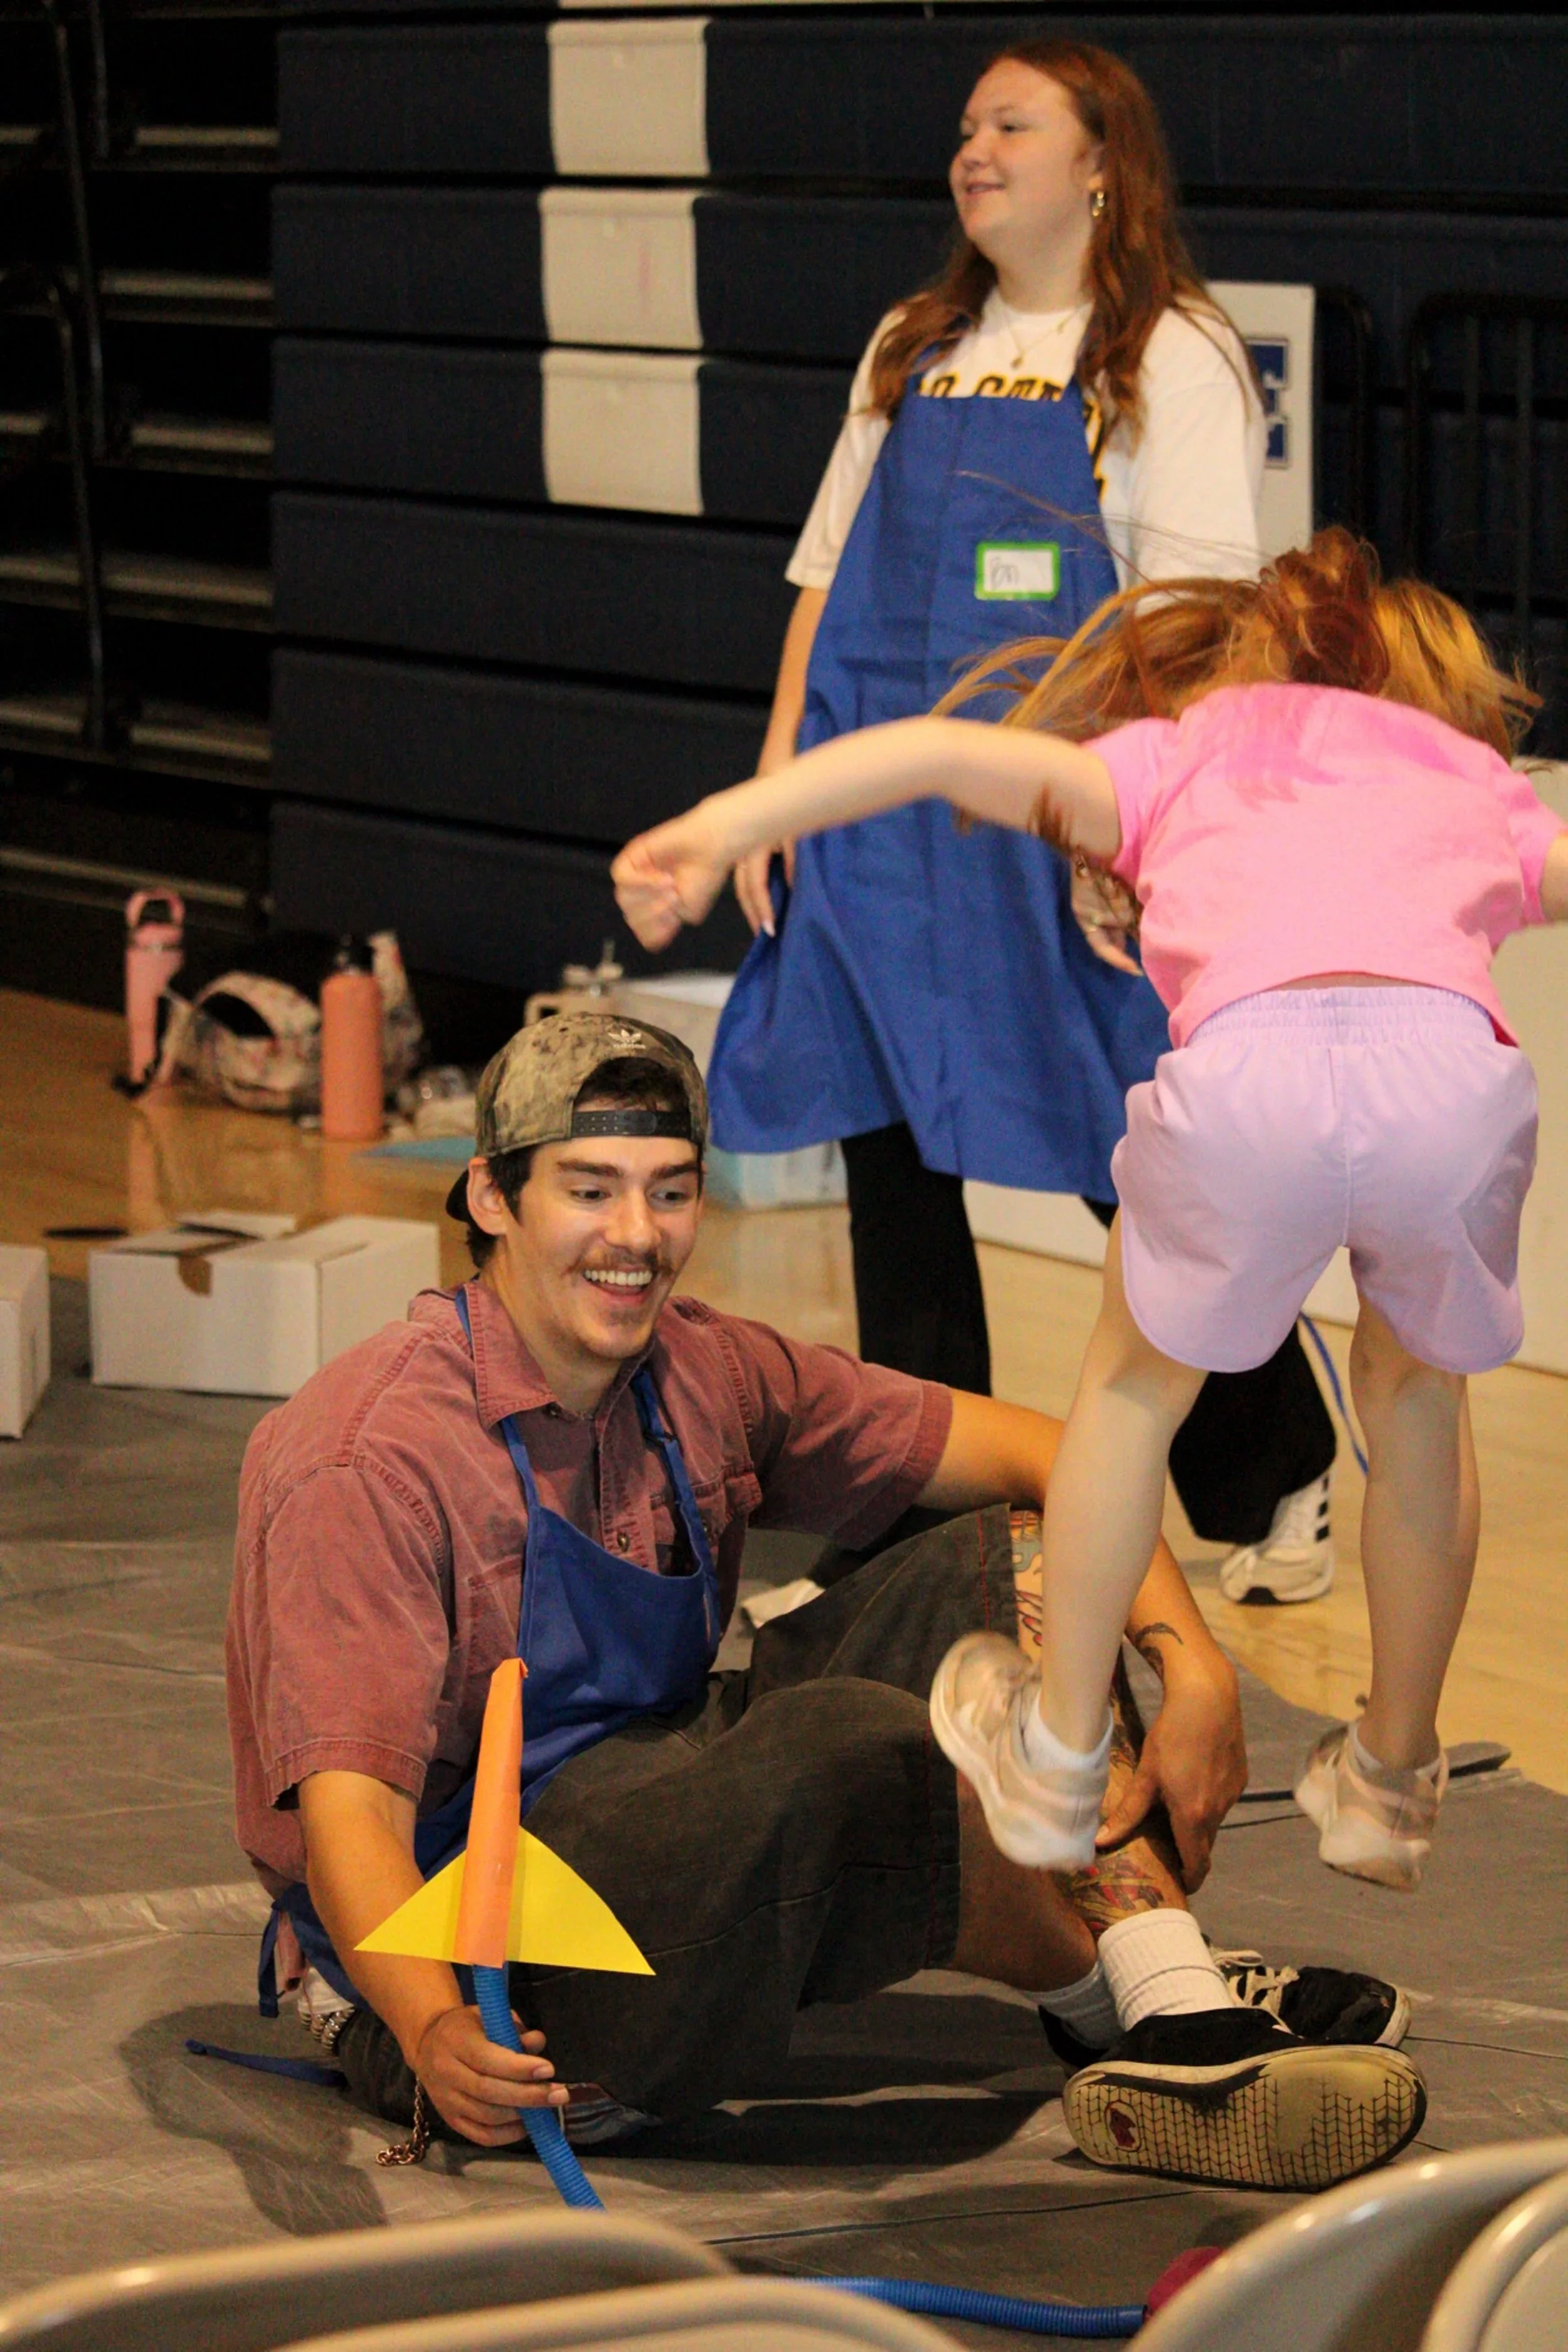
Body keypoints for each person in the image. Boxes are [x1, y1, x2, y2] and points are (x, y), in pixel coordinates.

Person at [227, 1011, 1420, 2193]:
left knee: (1023, 1565)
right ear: (490, 1197)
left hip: (657, 1782)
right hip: (473, 1938)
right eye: (590, 1190)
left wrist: (1193, 1660)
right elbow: (355, 1823)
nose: (636, 1237)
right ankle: (1142, 1999)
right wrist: (434, 2030)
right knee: (855, 1749)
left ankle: (1169, 2003)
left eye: (671, 1190)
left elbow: (1059, 1462)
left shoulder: (702, 1367)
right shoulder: (365, 1459)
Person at [611, 530, 1568, 1899]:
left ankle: (1056, 1754)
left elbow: (930, 753)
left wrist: (721, 829)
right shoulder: (1467, 779)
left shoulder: (1181, 752)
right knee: (1416, 1404)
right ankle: (1389, 1780)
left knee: (1129, 1393)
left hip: (1251, 1078)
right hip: (1449, 1086)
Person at [704, 33, 1338, 1608]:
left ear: (1100, 164)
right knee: (891, 1169)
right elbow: (820, 579)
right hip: (874, 821)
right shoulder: (908, 345)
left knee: (1120, 1149)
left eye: (1010, 124)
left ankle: (1282, 1471)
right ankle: (927, 1537)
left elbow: (1192, 615)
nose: (971, 149)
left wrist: (1120, 830)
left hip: (1056, 815)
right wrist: (783, 784)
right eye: (965, 126)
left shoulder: (1163, 355)